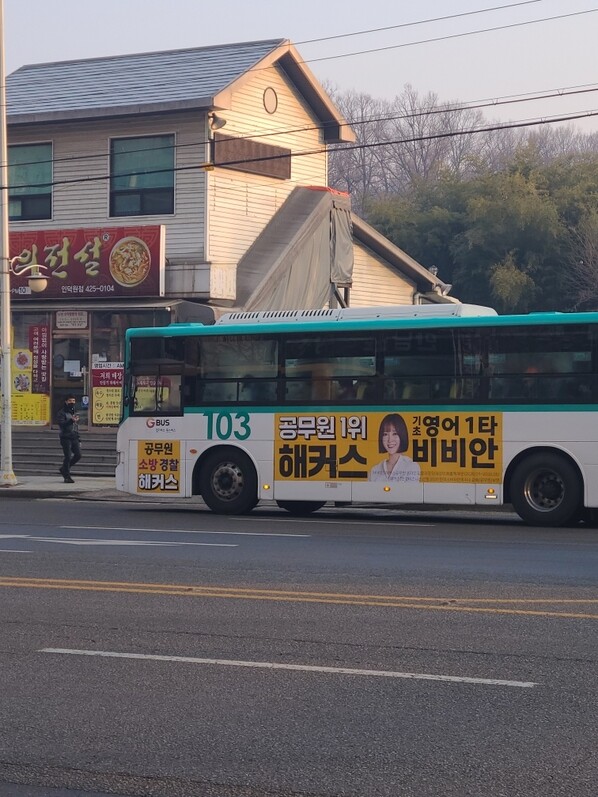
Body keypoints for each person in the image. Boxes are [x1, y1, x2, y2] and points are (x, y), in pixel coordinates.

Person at [370, 412, 420, 483]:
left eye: (395, 434)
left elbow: (410, 492)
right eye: (385, 434)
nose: (390, 440)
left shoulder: (411, 466)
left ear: (402, 435)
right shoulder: (375, 470)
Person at [57, 394, 81, 483]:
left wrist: (79, 439)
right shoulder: (61, 412)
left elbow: (76, 426)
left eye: (74, 401)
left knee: (78, 455)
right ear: (66, 402)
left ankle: (64, 468)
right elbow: (61, 424)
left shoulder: (73, 412)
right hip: (65, 437)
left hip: (74, 436)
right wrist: (71, 420)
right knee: (67, 456)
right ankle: (67, 476)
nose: (72, 403)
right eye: (70, 401)